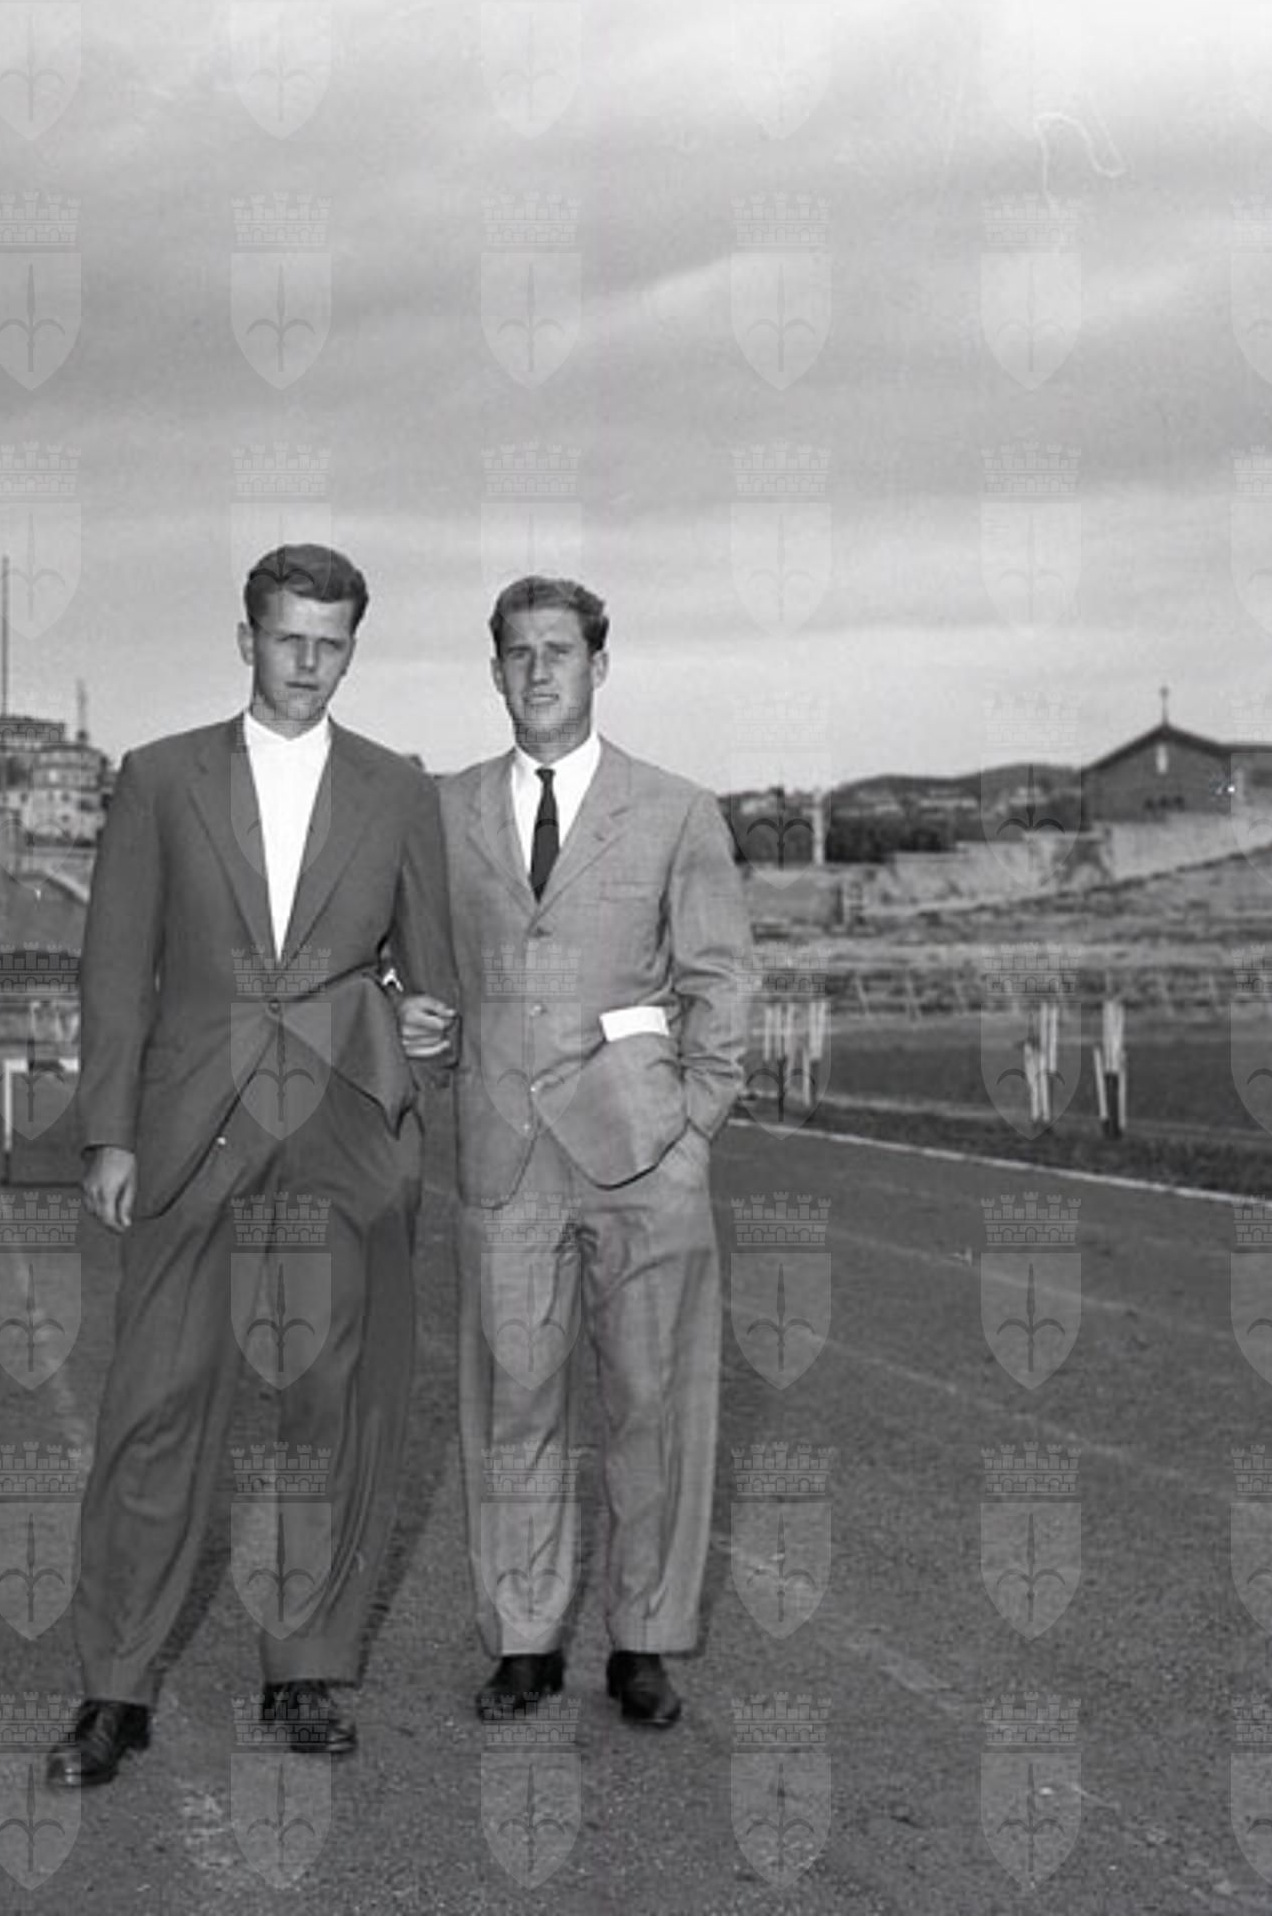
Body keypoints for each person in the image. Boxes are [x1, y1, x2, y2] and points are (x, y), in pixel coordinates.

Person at [48, 544, 457, 1788]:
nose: (308, 664)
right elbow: (115, 969)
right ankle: (114, 1687)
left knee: (336, 1406)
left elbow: (434, 978)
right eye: (289, 639)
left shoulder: (398, 787)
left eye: (331, 643)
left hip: (342, 1126)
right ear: (246, 640)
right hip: (194, 1126)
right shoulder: (158, 776)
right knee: (154, 1405)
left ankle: (307, 1668)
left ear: (351, 648)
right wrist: (110, 1132)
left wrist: (428, 1033)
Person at [426, 575, 753, 1729]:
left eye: (558, 650)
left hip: (641, 1155)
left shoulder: (675, 809)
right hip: (502, 1160)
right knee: (512, 1408)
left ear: (598, 664)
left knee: (652, 1407)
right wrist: (425, 1029)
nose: (538, 671)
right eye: (517, 652)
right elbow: (416, 968)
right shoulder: (443, 810)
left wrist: (691, 1127)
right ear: (494, 670)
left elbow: (721, 981)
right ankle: (522, 1642)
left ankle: (643, 1641)